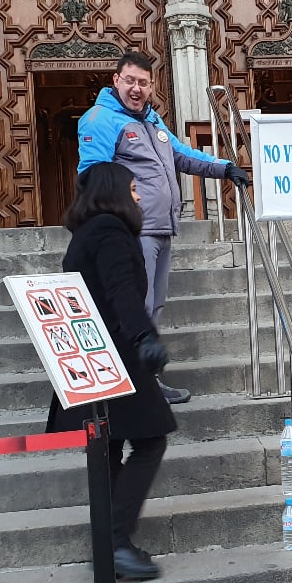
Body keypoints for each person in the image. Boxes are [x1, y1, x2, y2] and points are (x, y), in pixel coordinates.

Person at [77, 50, 250, 404]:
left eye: (143, 83)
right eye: (130, 81)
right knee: (135, 307)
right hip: (132, 231)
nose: (136, 89)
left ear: (152, 85)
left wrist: (223, 167)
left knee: (153, 306)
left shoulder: (151, 120)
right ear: (116, 80)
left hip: (160, 228)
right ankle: (134, 386)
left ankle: (147, 381)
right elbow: (93, 175)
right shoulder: (100, 119)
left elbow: (181, 154)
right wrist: (113, 224)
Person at [50, 161, 178, 580]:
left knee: (107, 448)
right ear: (116, 191)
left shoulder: (85, 233)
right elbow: (121, 288)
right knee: (151, 440)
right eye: (133, 188)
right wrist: (144, 337)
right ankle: (117, 544)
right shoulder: (110, 230)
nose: (138, 196)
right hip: (115, 356)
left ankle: (111, 543)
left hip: (90, 355)